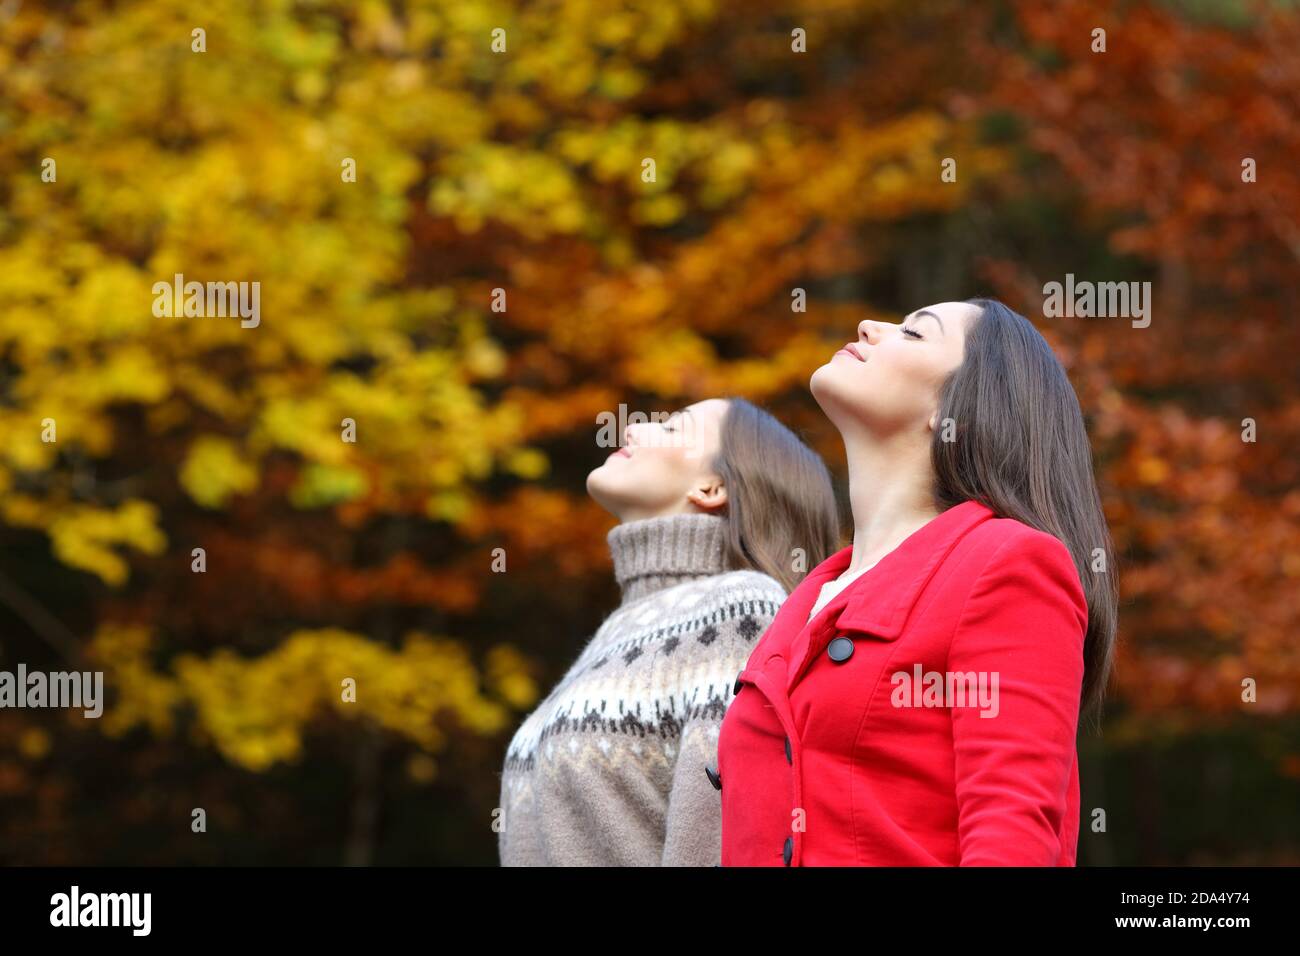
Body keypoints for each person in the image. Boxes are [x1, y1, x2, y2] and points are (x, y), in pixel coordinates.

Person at [716, 299, 1118, 866]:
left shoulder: (1006, 563)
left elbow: (1010, 837)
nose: (867, 326)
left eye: (913, 333)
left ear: (956, 410)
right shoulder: (805, 600)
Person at [499, 397, 839, 865]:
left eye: (673, 429)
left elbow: (726, 837)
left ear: (712, 487)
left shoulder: (738, 611)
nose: (632, 429)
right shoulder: (615, 634)